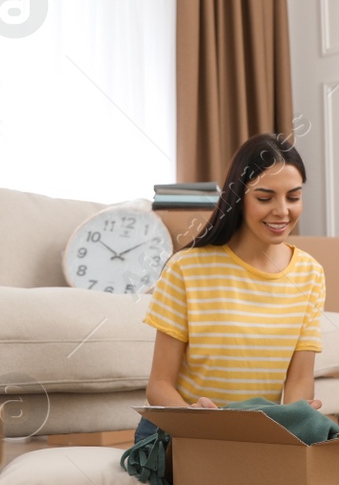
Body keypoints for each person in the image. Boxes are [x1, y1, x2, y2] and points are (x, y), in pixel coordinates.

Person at [135, 133, 327, 448]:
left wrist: (297, 417)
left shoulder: (310, 273)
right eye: (265, 198)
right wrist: (198, 421)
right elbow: (158, 386)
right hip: (181, 431)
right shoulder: (186, 268)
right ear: (238, 197)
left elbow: (300, 381)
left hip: (253, 435)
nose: (282, 211)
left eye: (293, 197)